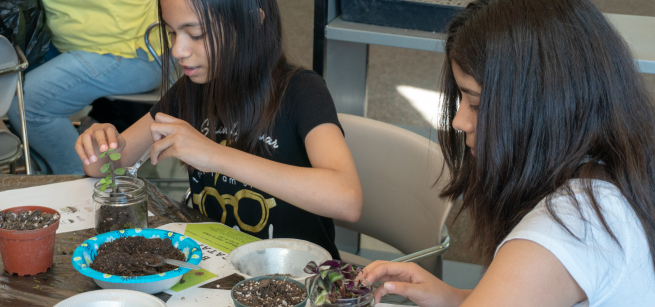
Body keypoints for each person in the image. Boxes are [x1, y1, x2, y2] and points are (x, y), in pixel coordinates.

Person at [360, 0, 655, 306]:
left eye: (475, 103)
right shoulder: (611, 169)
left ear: (541, 107)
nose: (458, 121)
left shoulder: (569, 230)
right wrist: (454, 298)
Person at [74, 0, 363, 259]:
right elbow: (109, 166)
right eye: (172, 32)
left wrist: (214, 156)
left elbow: (347, 199)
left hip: (296, 275)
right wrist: (101, 146)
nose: (177, 50)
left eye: (196, 34)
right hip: (218, 267)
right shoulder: (191, 91)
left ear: (252, 22)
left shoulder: (301, 91)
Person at [6, 0, 163, 175]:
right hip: (103, 43)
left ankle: (78, 179)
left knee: (25, 103)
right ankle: (52, 176)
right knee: (13, 81)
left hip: (131, 50)